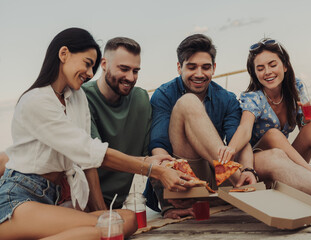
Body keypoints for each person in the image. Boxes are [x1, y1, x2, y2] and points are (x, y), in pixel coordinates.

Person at [0, 28, 195, 240]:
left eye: (93, 66)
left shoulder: (76, 97)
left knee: (126, 220)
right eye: (86, 63)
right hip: (20, 198)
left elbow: (87, 162)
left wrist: (102, 210)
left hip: (54, 198)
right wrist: (154, 170)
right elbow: (90, 151)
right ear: (63, 54)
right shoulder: (36, 101)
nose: (91, 73)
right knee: (103, 230)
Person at [148, 34, 257, 219]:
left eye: (205, 67)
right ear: (179, 67)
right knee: (188, 102)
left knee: (272, 156)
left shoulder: (227, 98)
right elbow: (158, 146)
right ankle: (245, 189)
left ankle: (243, 185)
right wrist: (166, 198)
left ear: (214, 68)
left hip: (217, 177)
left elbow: (236, 140)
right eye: (191, 67)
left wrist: (248, 170)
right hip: (183, 178)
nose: (199, 74)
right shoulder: (164, 94)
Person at [229, 38, 311, 181]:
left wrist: (306, 119)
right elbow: (244, 128)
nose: (267, 72)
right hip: (258, 165)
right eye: (260, 68)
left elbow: (304, 127)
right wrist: (230, 149)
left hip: (287, 161)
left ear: (285, 66)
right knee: (273, 135)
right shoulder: (253, 98)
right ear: (255, 74)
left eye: (272, 65)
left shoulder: (295, 87)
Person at [81, 37, 152, 210]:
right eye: (124, 69)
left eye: (136, 71)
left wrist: (169, 206)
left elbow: (149, 158)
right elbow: (94, 158)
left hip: (123, 205)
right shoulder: (82, 98)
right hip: (85, 203)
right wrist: (102, 214)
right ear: (104, 64)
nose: (131, 77)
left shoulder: (141, 99)